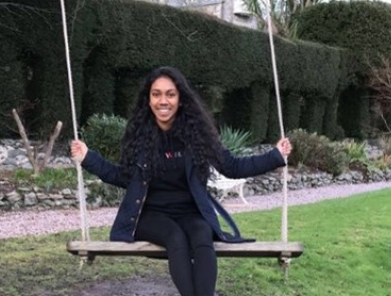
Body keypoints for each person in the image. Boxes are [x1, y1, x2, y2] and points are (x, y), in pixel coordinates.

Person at [71, 66, 292, 296]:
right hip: (149, 216)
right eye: (156, 94)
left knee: (202, 234)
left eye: (170, 94)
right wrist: (88, 158)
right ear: (148, 100)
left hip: (190, 212)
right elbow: (121, 177)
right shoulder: (140, 138)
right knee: (175, 237)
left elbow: (233, 167)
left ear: (180, 99)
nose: (163, 100)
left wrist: (274, 156)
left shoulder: (197, 135)